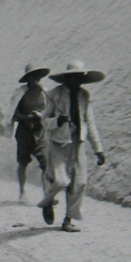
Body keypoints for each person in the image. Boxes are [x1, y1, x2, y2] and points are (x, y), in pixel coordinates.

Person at [38, 60, 106, 232]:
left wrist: (98, 149)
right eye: (74, 77)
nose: (77, 81)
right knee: (61, 181)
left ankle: (68, 220)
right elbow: (44, 122)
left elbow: (90, 123)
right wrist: (58, 121)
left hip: (78, 142)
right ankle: (48, 201)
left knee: (80, 182)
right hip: (58, 143)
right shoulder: (54, 94)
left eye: (80, 77)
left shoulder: (85, 96)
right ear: (67, 78)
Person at [8, 64, 52, 201]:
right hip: (24, 132)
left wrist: (41, 115)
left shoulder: (46, 93)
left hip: (40, 132)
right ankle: (22, 192)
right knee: (23, 162)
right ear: (28, 79)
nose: (36, 80)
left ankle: (47, 195)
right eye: (33, 77)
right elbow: (13, 115)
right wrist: (29, 117)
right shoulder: (20, 93)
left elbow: (50, 112)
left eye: (38, 77)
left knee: (45, 162)